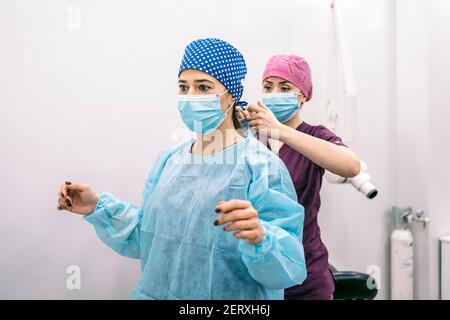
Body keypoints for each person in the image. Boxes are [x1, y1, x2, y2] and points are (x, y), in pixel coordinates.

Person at [56, 39, 307, 300]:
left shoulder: (261, 167)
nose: (190, 97)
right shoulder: (170, 161)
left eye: (203, 88)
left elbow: (287, 269)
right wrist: (97, 207)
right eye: (183, 87)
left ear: (231, 94)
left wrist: (261, 239)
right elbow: (149, 237)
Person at [239, 54, 361, 300]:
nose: (274, 93)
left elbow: (351, 166)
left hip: (306, 274)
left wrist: (280, 131)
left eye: (284, 87)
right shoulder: (252, 138)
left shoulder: (314, 135)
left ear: (303, 95)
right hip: (257, 267)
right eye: (267, 86)